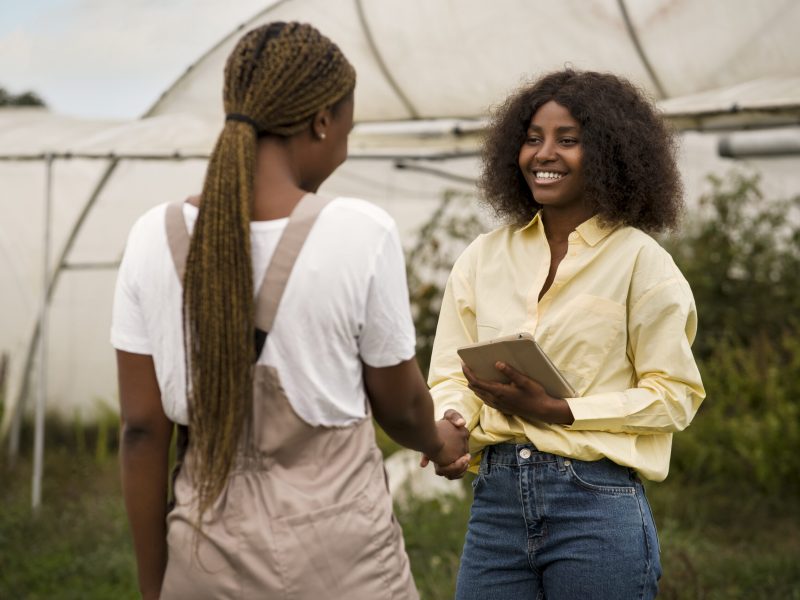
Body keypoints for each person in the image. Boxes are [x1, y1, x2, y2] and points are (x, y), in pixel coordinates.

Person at [111, 21, 469, 600]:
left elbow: (142, 430)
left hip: (202, 563)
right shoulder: (359, 231)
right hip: (342, 563)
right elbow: (400, 405)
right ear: (322, 122)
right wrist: (440, 442)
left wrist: (157, 586)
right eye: (347, 128)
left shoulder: (153, 236)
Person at [428, 69, 706, 599]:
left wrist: (562, 411)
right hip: (497, 505)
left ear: (610, 155)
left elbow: (674, 397)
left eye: (568, 140)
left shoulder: (642, 263)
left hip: (595, 503)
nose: (544, 153)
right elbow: (450, 373)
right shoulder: (483, 257)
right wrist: (453, 422)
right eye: (532, 138)